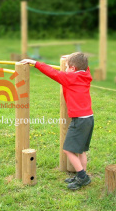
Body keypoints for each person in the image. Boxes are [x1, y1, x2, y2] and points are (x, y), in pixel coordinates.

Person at [20, 52, 94, 190]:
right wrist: (71, 57)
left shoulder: (70, 78)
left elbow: (52, 73)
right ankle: (82, 175)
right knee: (81, 150)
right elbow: (83, 64)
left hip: (79, 120)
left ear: (72, 69)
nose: (64, 69)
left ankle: (82, 177)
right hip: (89, 118)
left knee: (68, 150)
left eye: (66, 66)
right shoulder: (86, 75)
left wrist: (35, 63)